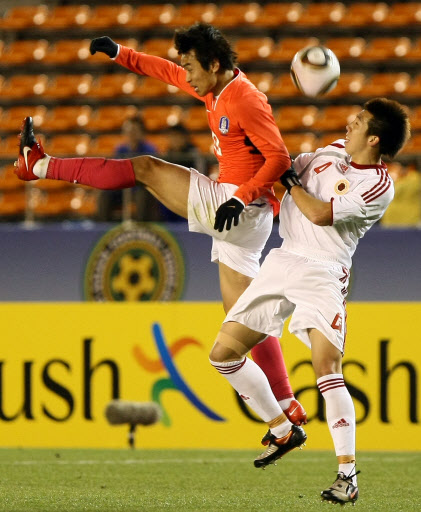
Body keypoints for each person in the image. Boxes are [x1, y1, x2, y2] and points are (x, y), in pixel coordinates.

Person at [14, 23, 307, 426]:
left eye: (191, 66)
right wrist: (121, 53)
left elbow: (279, 158)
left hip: (238, 205)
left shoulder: (245, 99)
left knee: (146, 168)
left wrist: (241, 195)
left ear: (214, 63)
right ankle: (287, 403)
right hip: (245, 218)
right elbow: (164, 71)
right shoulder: (214, 85)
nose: (185, 74)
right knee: (246, 315)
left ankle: (40, 165)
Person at [208, 98, 410, 505]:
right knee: (223, 354)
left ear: (374, 139)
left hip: (323, 270)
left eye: (359, 122)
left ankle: (347, 476)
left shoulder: (379, 185)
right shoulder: (332, 150)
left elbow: (318, 213)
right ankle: (283, 429)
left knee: (326, 368)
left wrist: (290, 183)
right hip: (282, 259)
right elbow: (282, 163)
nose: (349, 124)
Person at [98, 115, 160, 221]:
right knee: (104, 193)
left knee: (142, 195)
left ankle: (141, 228)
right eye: (128, 131)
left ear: (142, 132)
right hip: (122, 189)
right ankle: (103, 229)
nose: (131, 134)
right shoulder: (120, 150)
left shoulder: (150, 150)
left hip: (141, 188)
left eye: (134, 131)